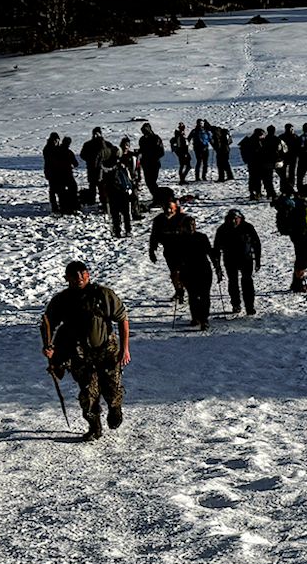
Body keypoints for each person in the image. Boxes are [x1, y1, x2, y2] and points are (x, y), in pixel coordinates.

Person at [40, 260, 129, 440]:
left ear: (88, 274)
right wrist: (49, 347)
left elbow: (122, 319)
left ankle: (115, 408)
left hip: (106, 350)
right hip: (79, 354)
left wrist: (124, 349)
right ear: (67, 278)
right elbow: (47, 325)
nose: (79, 278)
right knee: (88, 393)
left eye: (83, 273)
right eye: (74, 275)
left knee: (112, 389)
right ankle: (94, 427)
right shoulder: (61, 300)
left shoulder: (103, 294)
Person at [149, 188, 214, 330]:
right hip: (170, 251)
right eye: (165, 208)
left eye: (170, 207)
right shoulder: (159, 220)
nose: (168, 210)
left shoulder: (183, 219)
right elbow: (154, 235)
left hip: (188, 255)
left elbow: (206, 247)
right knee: (175, 274)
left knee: (187, 281)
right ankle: (179, 290)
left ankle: (198, 312)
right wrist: (152, 250)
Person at [272, 192, 307, 292]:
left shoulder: (295, 205)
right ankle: (299, 285)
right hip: (304, 236)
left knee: (299, 258)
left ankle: (296, 283)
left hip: (294, 235)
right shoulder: (304, 207)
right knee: (303, 261)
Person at [212, 208, 262, 316]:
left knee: (247, 281)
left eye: (235, 219)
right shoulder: (222, 229)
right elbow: (216, 248)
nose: (233, 221)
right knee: (233, 282)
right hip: (230, 259)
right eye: (231, 219)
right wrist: (217, 266)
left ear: (240, 218)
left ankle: (249, 306)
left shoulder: (248, 227)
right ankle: (236, 304)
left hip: (246, 259)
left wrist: (258, 260)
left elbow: (256, 243)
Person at [102, 143, 137, 237]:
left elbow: (103, 179)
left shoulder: (105, 164)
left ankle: (117, 230)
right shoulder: (121, 164)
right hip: (122, 191)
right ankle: (128, 230)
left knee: (115, 213)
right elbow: (128, 177)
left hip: (111, 191)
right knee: (126, 212)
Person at [82, 127, 108, 211]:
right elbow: (83, 155)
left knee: (102, 186)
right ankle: (91, 201)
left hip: (102, 168)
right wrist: (90, 159)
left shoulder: (105, 144)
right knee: (92, 185)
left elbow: (110, 152)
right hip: (92, 167)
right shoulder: (88, 144)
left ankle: (103, 202)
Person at [138, 123, 165, 199]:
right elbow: (141, 150)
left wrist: (152, 156)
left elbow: (161, 152)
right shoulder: (142, 139)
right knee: (148, 182)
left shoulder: (156, 138)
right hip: (145, 164)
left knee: (152, 182)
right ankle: (156, 196)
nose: (144, 133)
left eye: (146, 131)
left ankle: (158, 197)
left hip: (154, 164)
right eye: (143, 131)